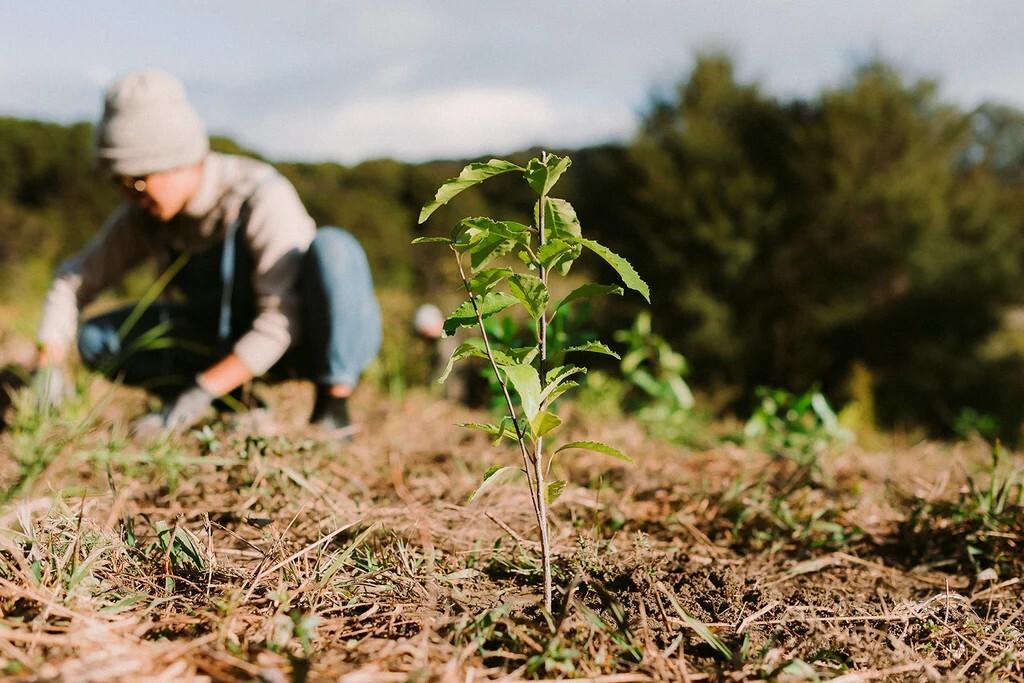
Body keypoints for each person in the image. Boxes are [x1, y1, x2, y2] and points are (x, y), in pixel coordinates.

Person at [32, 69, 381, 435]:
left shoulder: (259, 196)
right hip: (221, 339)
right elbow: (73, 281)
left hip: (299, 338)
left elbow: (281, 321)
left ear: (176, 160)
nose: (130, 196)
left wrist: (200, 391)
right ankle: (237, 404)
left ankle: (332, 408)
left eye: (137, 182)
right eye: (118, 184)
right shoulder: (144, 216)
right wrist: (48, 366)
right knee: (97, 339)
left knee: (335, 249)